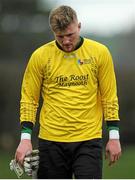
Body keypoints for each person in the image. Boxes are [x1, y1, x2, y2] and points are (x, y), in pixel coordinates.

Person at [15, 5, 122, 179]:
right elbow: (29, 99)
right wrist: (25, 139)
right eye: (60, 36)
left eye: (70, 35)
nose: (66, 41)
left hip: (89, 140)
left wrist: (114, 136)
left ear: (79, 26)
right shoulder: (40, 56)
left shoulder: (100, 53)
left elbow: (109, 97)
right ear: (53, 33)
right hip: (51, 142)